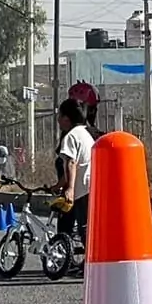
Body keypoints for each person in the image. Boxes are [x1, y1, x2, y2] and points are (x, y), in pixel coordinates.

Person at [55, 98, 95, 240]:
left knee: (85, 233)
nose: (58, 120)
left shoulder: (70, 137)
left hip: (81, 190)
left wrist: (69, 189)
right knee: (87, 229)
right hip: (91, 187)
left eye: (59, 116)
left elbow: (71, 163)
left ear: (66, 118)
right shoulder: (85, 132)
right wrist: (57, 186)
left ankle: (91, 261)